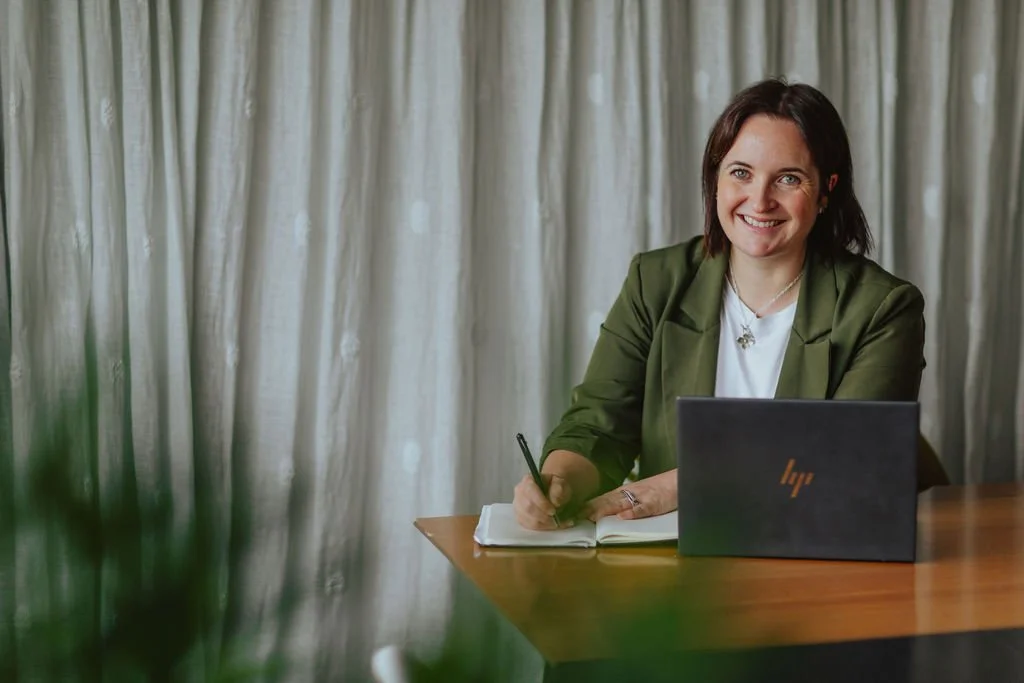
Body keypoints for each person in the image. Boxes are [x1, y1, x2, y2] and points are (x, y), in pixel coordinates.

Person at [513, 77, 950, 531]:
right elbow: (599, 424)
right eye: (740, 172)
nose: (759, 200)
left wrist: (678, 487)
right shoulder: (655, 281)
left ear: (825, 191)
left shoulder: (884, 308)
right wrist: (558, 479)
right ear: (716, 179)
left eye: (788, 178)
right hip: (678, 568)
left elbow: (843, 458)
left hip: (817, 550)